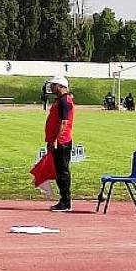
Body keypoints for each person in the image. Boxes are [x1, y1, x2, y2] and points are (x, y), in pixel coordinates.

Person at [44, 75, 75, 212]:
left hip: (62, 142)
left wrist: (55, 139)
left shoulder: (64, 101)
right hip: (57, 141)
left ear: (61, 86)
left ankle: (65, 202)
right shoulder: (60, 100)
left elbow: (64, 122)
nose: (51, 87)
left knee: (62, 172)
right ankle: (64, 200)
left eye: (54, 85)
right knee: (59, 171)